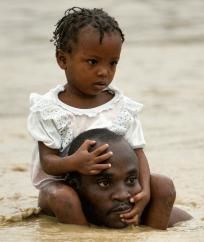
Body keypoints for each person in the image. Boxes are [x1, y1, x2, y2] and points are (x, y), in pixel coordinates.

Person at [27, 7, 191, 229]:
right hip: (67, 191)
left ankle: (145, 232)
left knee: (164, 186)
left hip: (116, 190)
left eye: (112, 63)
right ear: (62, 59)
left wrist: (144, 191)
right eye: (93, 62)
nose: (104, 72)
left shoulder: (122, 108)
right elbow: (49, 163)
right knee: (62, 198)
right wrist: (75, 163)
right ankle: (84, 234)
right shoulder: (49, 109)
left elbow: (139, 154)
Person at [66, 128, 192, 229]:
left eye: (131, 180)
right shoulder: (60, 222)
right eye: (104, 183)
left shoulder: (177, 221)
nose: (122, 195)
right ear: (75, 186)